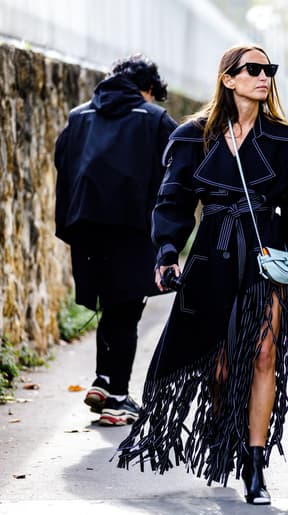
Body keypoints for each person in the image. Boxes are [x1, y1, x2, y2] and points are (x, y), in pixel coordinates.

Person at [116, 45, 288, 506]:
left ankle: (255, 462)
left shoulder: (286, 139)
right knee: (221, 365)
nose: (263, 77)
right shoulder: (192, 136)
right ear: (228, 79)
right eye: (253, 70)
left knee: (264, 355)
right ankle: (229, 428)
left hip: (267, 257)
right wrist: (166, 250)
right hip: (211, 256)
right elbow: (172, 201)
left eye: (269, 70)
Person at [54, 54, 177, 426]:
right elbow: (180, 164)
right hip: (132, 228)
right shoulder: (152, 118)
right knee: (127, 308)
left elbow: (63, 163)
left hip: (86, 226)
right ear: (148, 89)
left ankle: (104, 381)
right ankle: (117, 398)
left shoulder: (79, 117)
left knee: (111, 304)